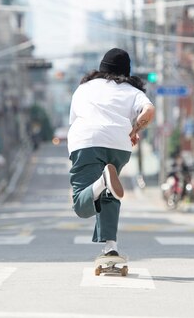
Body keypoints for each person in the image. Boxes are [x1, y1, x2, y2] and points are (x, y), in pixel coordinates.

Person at [68, 48, 155, 260]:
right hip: (119, 144)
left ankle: (102, 182)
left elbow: (74, 120)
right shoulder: (133, 91)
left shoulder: (83, 89)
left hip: (86, 141)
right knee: (110, 194)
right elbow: (149, 111)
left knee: (82, 205)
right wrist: (135, 130)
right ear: (127, 71)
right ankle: (110, 247)